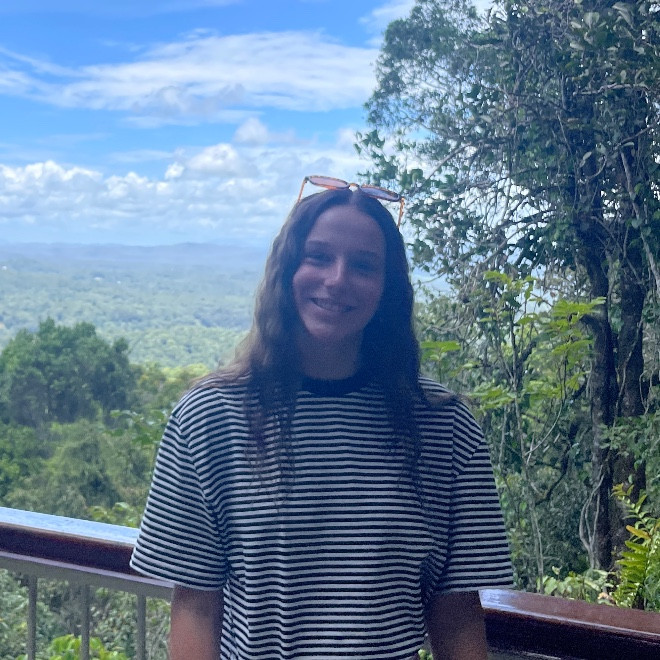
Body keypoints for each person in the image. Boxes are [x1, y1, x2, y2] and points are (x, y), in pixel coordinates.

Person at [130, 176, 513, 660]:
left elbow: (456, 615)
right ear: (287, 269)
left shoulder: (444, 428)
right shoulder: (209, 418)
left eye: (363, 265)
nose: (337, 280)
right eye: (318, 257)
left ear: (387, 288)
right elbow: (195, 607)